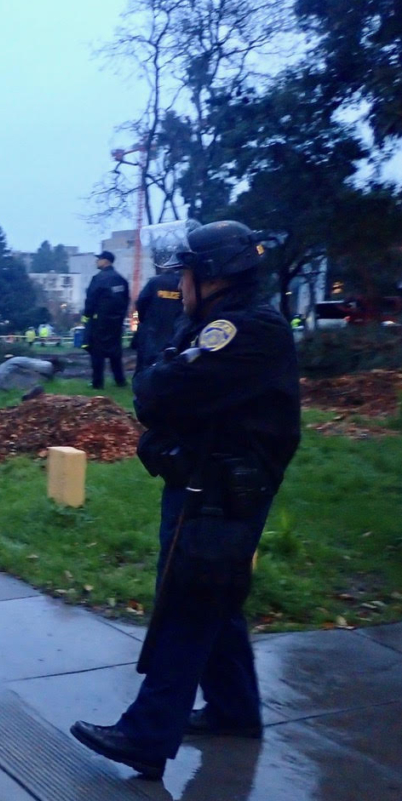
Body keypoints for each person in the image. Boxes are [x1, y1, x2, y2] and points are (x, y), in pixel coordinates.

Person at [71, 220, 301, 781]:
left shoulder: (244, 329)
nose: (182, 285)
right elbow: (162, 376)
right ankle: (234, 710)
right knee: (214, 597)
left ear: (215, 276)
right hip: (208, 480)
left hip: (223, 489)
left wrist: (160, 385)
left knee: (190, 599)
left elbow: (158, 390)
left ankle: (147, 735)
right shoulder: (215, 322)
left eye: (189, 273)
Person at [83, 250, 129, 388]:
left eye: (99, 259)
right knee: (115, 352)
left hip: (100, 322)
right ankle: (120, 381)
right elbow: (126, 300)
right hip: (116, 322)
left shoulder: (98, 279)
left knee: (97, 353)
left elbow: (91, 299)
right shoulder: (121, 279)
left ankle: (97, 383)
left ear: (106, 261)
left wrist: (87, 316)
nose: (96, 261)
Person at [132, 269, 183, 373]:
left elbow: (141, 301)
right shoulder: (181, 283)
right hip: (174, 328)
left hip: (152, 328)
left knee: (147, 360)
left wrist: (143, 320)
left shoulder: (154, 282)